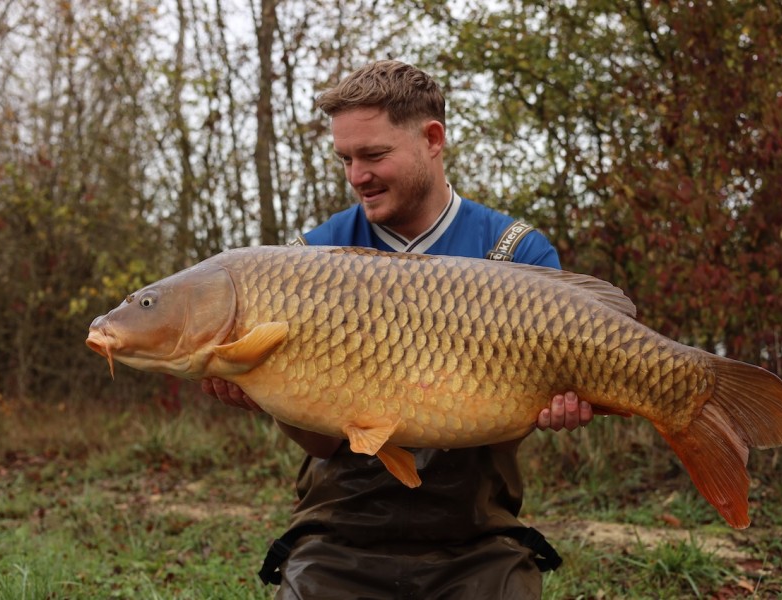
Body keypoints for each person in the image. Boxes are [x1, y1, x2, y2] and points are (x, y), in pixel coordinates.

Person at [203, 60, 593, 600]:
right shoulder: (307, 261)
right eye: (345, 158)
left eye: (374, 155)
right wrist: (267, 392)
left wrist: (555, 406)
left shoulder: (514, 255)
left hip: (476, 536)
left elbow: (507, 424)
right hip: (340, 536)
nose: (356, 176)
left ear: (432, 139)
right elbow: (321, 442)